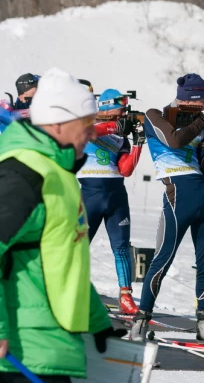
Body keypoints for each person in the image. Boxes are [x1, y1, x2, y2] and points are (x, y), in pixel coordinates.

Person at [0, 68, 126, 382]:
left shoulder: (61, 175)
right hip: (21, 355)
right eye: (86, 122)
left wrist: (98, 322)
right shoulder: (24, 173)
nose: (93, 132)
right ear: (57, 122)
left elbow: (62, 262)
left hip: (57, 350)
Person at [129, 73, 204, 346]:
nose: (203, 108)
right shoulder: (156, 116)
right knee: (162, 259)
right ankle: (141, 320)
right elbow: (174, 141)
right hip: (178, 193)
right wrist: (203, 120)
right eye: (201, 103)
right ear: (193, 100)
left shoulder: (199, 126)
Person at [77, 88, 144, 314]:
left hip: (116, 196)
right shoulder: (87, 123)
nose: (124, 112)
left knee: (122, 247)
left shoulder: (120, 134)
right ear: (106, 106)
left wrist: (138, 144)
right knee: (79, 246)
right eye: (121, 108)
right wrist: (115, 126)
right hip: (90, 194)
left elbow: (125, 170)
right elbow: (90, 133)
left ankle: (125, 296)